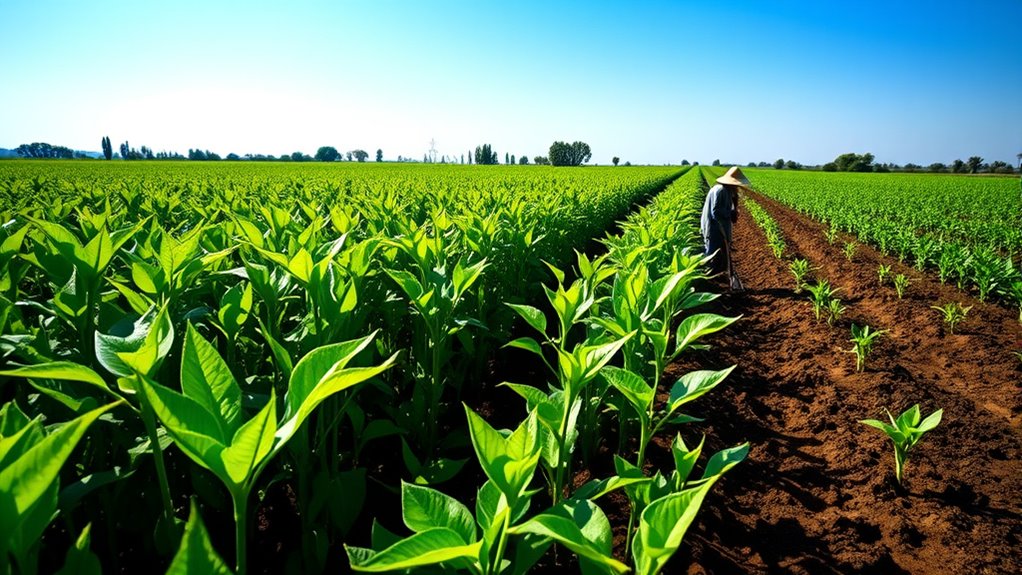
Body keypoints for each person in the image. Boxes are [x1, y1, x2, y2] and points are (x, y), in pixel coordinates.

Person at [700, 166, 751, 275]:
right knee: (713, 255)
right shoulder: (721, 191)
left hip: (715, 228)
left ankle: (717, 275)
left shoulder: (721, 189)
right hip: (715, 229)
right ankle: (710, 279)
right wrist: (731, 213)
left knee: (717, 254)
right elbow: (716, 212)